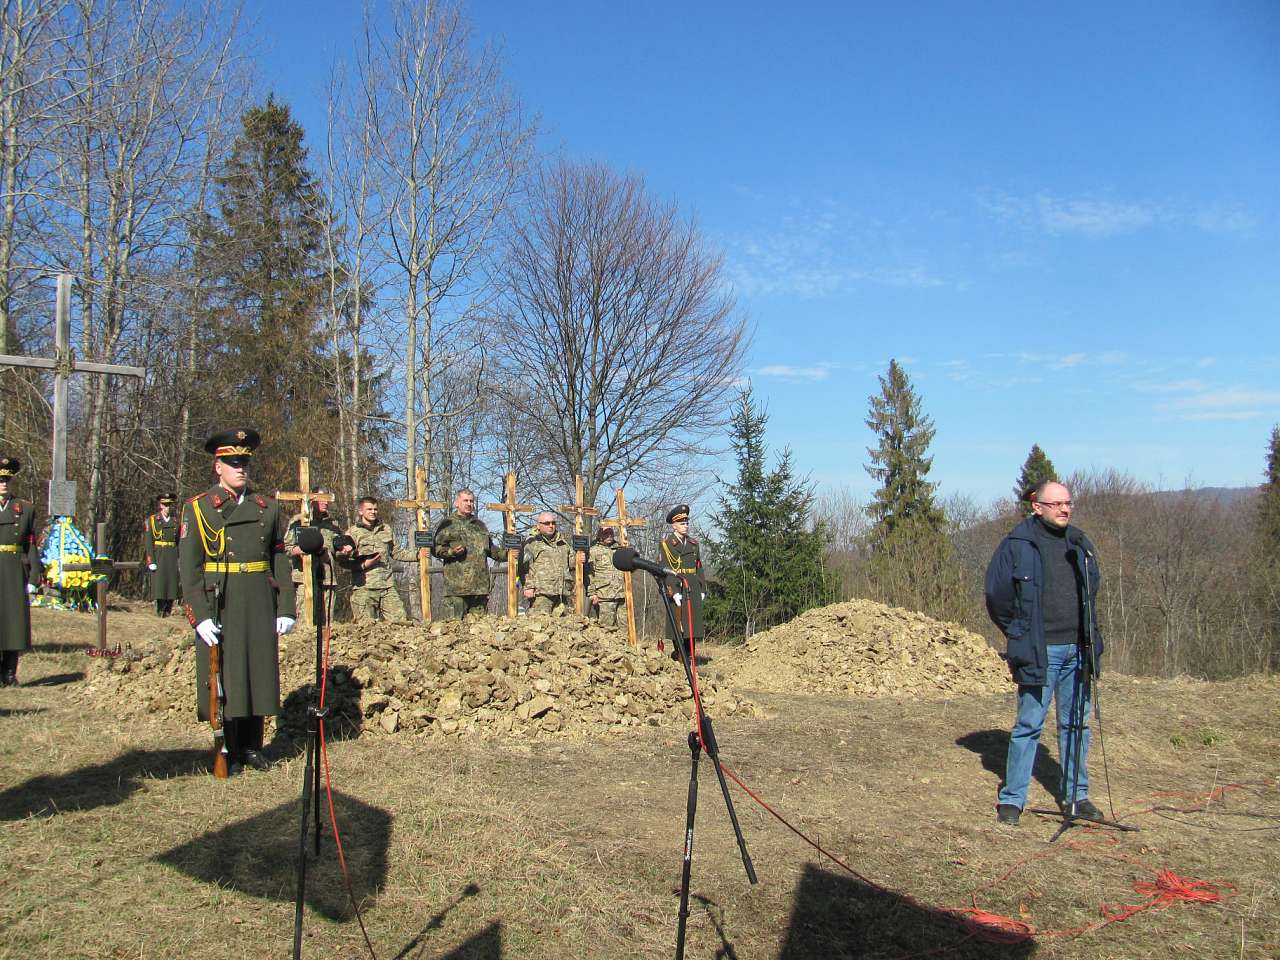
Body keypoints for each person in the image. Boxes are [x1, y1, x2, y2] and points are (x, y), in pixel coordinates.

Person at [985, 480, 1105, 826]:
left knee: (1076, 725)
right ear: (1037, 507)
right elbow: (997, 596)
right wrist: (1018, 632)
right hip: (1040, 651)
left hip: (1078, 650)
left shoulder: (1079, 544)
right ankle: (1013, 800)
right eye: (1057, 504)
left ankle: (1077, 795)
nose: (1065, 509)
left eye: (1068, 503)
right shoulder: (1017, 545)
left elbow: (1091, 589)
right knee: (1029, 725)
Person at [179, 429, 295, 773]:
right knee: (227, 673)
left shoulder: (267, 508)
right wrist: (198, 615)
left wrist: (286, 605)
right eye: (232, 463)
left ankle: (252, 746)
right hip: (222, 597)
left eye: (244, 462)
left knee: (258, 668)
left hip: (258, 595)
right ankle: (226, 743)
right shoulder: (199, 509)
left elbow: (278, 559)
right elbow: (190, 568)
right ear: (218, 467)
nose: (240, 469)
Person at [431, 488, 504, 620]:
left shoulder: (480, 525)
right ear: (456, 503)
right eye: (465, 500)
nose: (469, 504)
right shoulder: (447, 524)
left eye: (471, 501)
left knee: (479, 632)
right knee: (454, 630)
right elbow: (435, 549)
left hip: (479, 589)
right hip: (457, 589)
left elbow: (491, 550)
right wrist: (451, 552)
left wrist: (508, 554)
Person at [285, 485, 353, 625]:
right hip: (305, 579)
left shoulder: (332, 524)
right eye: (322, 499)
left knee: (327, 624)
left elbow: (337, 552)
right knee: (305, 624)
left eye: (327, 499)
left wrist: (344, 551)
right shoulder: (298, 521)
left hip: (327, 578)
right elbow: (285, 547)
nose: (325, 503)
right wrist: (298, 550)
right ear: (312, 500)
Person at [344, 496, 416, 621]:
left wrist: (417, 556)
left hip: (386, 587)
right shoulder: (352, 533)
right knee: (365, 629)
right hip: (364, 588)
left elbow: (396, 552)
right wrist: (364, 565)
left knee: (400, 622)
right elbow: (344, 561)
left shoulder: (386, 529)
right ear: (361, 511)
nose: (373, 512)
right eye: (369, 509)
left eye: (375, 509)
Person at [0, 456, 39, 686]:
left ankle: (9, 672)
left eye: (6, 480)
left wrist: (34, 576)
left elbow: (30, 544)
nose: (3, 484)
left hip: (14, 570)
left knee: (14, 621)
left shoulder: (24, 509)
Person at [659, 504, 707, 662]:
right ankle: (680, 654)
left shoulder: (693, 544)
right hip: (677, 586)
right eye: (682, 523)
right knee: (678, 623)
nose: (685, 526)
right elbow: (665, 568)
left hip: (692, 585)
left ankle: (690, 654)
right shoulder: (667, 544)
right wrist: (673, 591)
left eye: (686, 523)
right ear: (674, 525)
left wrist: (702, 588)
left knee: (692, 622)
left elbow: (698, 566)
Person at [519, 512, 573, 614]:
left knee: (563, 627)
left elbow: (572, 565)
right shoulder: (531, 544)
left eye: (553, 523)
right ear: (538, 526)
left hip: (562, 594)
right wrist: (528, 587)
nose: (551, 526)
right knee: (540, 625)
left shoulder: (563, 544)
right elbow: (524, 568)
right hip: (542, 594)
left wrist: (582, 557)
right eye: (547, 523)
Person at [144, 493, 180, 617]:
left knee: (171, 584)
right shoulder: (153, 521)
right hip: (159, 554)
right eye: (165, 505)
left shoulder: (176, 521)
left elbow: (179, 541)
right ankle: (160, 610)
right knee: (160, 584)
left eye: (169, 505)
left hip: (172, 554)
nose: (167, 507)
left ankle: (168, 610)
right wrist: (151, 561)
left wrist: (180, 560)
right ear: (160, 505)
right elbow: (149, 542)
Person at [587, 524, 626, 630]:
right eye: (606, 533)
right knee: (606, 628)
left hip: (622, 595)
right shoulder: (593, 551)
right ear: (600, 535)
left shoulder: (620, 549)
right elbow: (589, 574)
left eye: (611, 533)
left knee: (626, 629)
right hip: (604, 596)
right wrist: (592, 593)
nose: (609, 536)